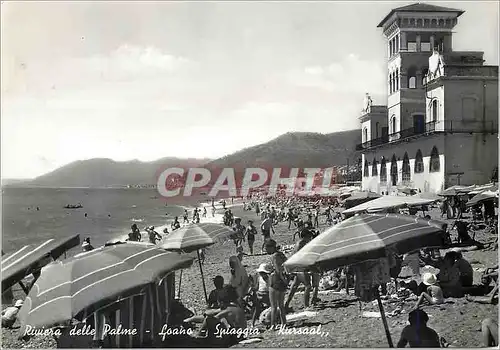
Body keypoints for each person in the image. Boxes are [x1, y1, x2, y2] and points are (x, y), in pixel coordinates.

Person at [285, 230, 315, 310]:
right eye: (309, 237)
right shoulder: (300, 244)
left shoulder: (300, 243)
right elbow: (300, 257)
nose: (310, 239)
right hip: (300, 267)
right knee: (308, 286)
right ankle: (306, 305)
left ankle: (286, 304)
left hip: (296, 266)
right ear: (306, 236)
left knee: (294, 286)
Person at [265, 239, 288, 328]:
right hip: (282, 282)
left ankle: (273, 325)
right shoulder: (281, 254)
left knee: (273, 306)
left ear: (270, 247)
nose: (266, 251)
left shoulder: (274, 256)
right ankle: (284, 323)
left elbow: (278, 270)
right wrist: (286, 280)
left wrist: (282, 279)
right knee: (281, 305)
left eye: (266, 248)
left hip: (275, 280)